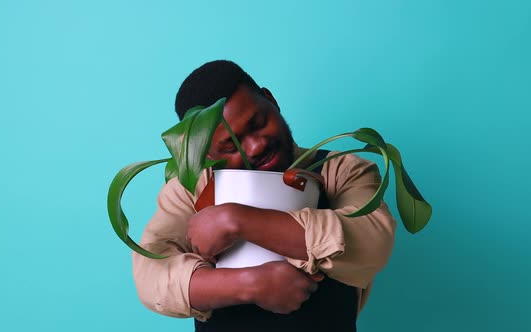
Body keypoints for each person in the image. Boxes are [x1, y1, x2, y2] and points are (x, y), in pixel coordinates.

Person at [132, 60, 396, 331]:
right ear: (206, 153)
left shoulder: (341, 170)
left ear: (271, 100)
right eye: (230, 145)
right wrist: (251, 284)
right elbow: (150, 275)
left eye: (258, 123)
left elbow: (372, 241)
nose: (256, 146)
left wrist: (236, 221)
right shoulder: (192, 189)